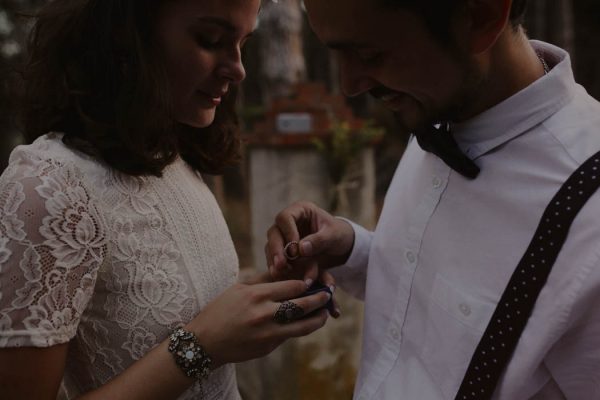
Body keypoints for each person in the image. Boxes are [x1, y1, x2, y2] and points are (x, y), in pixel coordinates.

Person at [266, 0, 600, 399]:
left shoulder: (589, 215)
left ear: (482, 16)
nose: (349, 84)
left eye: (371, 54)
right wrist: (351, 248)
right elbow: (448, 298)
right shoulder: (437, 107)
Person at [0, 0, 333, 399]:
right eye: (210, 39)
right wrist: (201, 347)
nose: (239, 68)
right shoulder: (48, 188)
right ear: (126, 35)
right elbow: (199, 336)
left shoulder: (171, 157)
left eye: (243, 42)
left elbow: (172, 305)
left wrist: (270, 290)